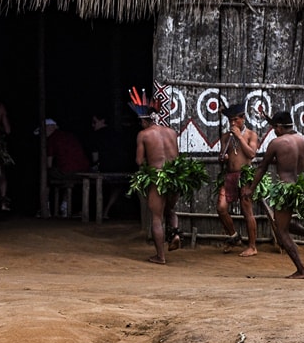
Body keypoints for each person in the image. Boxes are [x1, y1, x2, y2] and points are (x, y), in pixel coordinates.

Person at [248, 110, 304, 279]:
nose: (273, 131)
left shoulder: (277, 143)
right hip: (299, 188)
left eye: (274, 128)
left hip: (285, 189)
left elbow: (262, 167)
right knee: (283, 224)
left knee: (281, 230)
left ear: (279, 127)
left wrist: (251, 188)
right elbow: (302, 165)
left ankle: (301, 270)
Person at [127, 93, 206, 264]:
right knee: (170, 210)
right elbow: (175, 156)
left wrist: (148, 165)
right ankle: (175, 233)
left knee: (156, 217)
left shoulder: (144, 135)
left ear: (144, 120)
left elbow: (139, 161)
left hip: (157, 177)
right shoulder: (171, 132)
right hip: (174, 176)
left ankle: (160, 256)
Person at [215, 101, 260, 257]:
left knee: (247, 210)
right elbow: (222, 155)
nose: (233, 123)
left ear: (243, 118)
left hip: (245, 176)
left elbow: (251, 154)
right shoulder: (226, 137)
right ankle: (234, 236)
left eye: (236, 120)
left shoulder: (251, 135)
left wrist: (240, 137)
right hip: (229, 175)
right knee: (221, 207)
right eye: (230, 120)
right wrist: (223, 157)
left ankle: (252, 246)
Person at [88, 113, 134, 219]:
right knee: (116, 187)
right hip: (121, 169)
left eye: (94, 122)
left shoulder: (96, 136)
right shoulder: (117, 134)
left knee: (93, 183)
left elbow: (95, 158)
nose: (92, 125)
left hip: (105, 169)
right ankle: (106, 212)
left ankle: (96, 212)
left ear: (103, 121)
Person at [45, 118, 89, 215]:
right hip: (83, 170)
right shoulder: (70, 135)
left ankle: (46, 207)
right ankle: (64, 206)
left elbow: (49, 163)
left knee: (45, 176)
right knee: (68, 177)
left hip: (69, 171)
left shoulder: (52, 138)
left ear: (51, 127)